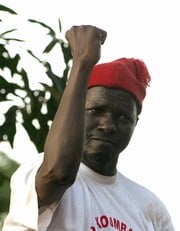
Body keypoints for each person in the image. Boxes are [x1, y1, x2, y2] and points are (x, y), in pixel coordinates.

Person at [2, 25, 174, 231]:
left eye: (123, 117)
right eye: (95, 111)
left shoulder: (151, 209)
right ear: (75, 112)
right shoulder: (36, 172)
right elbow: (58, 175)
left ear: (135, 124)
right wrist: (82, 63)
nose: (107, 125)